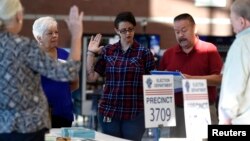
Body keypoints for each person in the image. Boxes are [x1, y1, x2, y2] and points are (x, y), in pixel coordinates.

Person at [0, 0, 83, 140]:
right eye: (50, 33)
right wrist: (76, 36)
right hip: (30, 126)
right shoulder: (25, 47)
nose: (55, 36)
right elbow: (69, 72)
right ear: (19, 16)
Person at [86, 11, 156, 141]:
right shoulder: (108, 50)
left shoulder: (144, 53)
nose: (128, 33)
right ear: (117, 31)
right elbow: (92, 77)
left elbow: (153, 83)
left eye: (130, 29)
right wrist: (90, 53)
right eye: (123, 30)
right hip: (109, 111)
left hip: (135, 113)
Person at [158, 13, 223, 137]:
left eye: (184, 30)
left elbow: (220, 79)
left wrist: (191, 79)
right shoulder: (168, 54)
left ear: (195, 28)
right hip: (177, 111)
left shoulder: (209, 50)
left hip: (204, 109)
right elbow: (160, 83)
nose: (180, 35)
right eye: (177, 32)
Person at [32, 16, 79, 128]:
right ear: (39, 38)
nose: (54, 36)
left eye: (56, 32)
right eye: (49, 33)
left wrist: (60, 91)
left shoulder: (66, 55)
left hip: (63, 112)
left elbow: (75, 83)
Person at [218, 0, 250, 125]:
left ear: (242, 21)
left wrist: (226, 117)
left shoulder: (241, 44)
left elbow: (234, 85)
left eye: (232, 21)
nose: (232, 27)